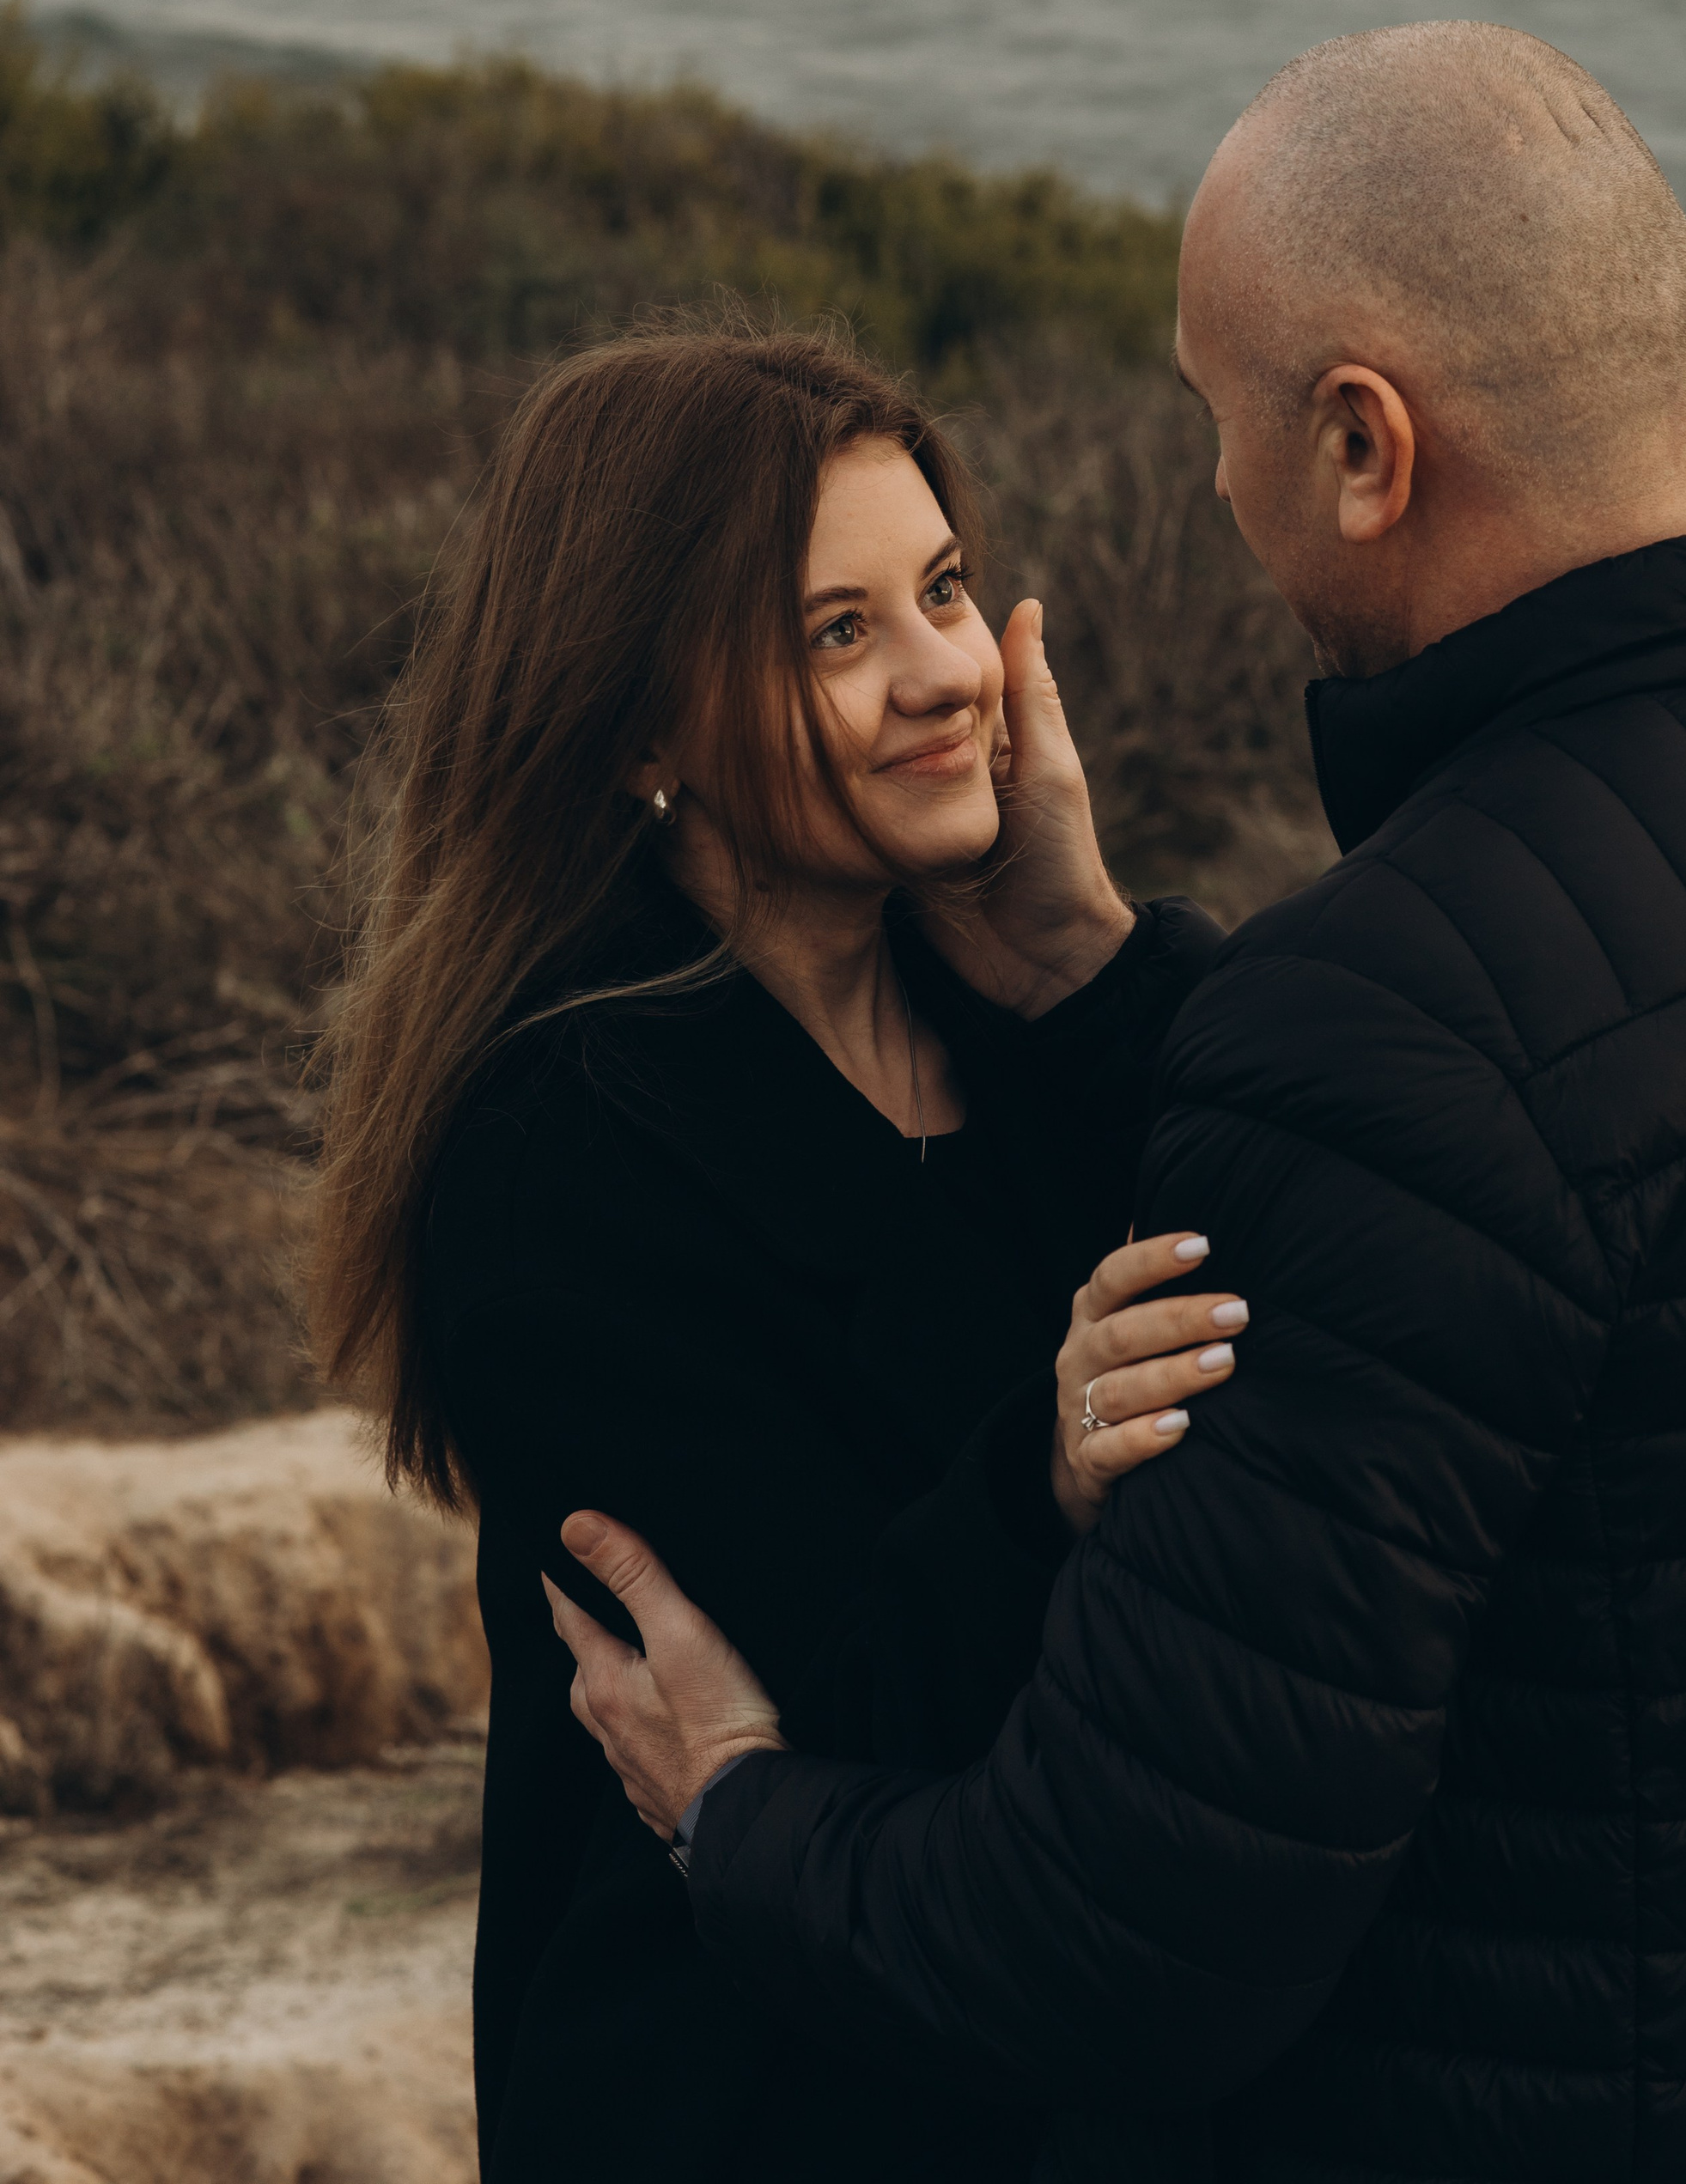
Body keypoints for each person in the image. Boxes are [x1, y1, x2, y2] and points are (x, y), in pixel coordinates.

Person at [557, 27, 1686, 2184]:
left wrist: (739, 1808)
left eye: (1223, 421)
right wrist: (1103, 975)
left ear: (1362, 442)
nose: (1213, 490)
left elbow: (1117, 1936)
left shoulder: (1385, 1027)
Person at [303, 325, 1245, 2181]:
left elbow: (1300, 1261)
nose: (944, 676)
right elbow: (795, 1729)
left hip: (1059, 2060)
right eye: (836, 632)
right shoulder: (563, 1141)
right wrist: (1041, 1473)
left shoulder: (1014, 1022)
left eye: (944, 590)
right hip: (744, 2096)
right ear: (643, 724)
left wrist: (1098, 957)